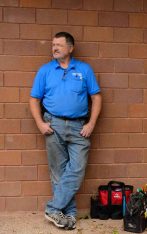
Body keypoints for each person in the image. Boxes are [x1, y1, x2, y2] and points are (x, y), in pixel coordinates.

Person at [29, 32, 102, 229]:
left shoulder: (84, 69)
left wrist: (91, 124)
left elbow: (96, 98)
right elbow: (34, 99)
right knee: (58, 173)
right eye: (53, 44)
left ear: (70, 48)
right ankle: (68, 215)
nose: (54, 48)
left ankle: (53, 208)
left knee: (77, 169)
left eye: (59, 45)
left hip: (79, 126)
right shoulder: (45, 71)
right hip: (53, 125)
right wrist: (40, 124)